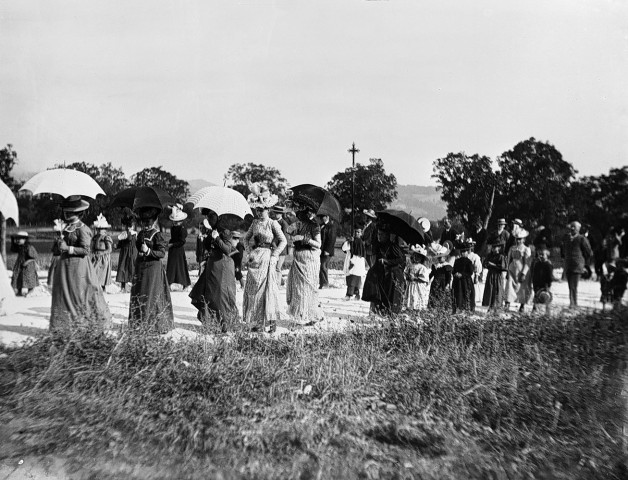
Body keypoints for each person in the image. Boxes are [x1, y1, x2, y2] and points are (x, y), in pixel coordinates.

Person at [50, 195, 112, 332]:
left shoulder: (83, 229)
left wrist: (68, 248)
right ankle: (64, 326)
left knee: (79, 294)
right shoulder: (66, 228)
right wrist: (59, 244)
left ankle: (84, 325)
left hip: (78, 267)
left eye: (70, 211)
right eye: (66, 210)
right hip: (65, 267)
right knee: (64, 294)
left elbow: (86, 250)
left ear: (78, 212)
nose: (67, 213)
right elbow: (60, 248)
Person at [243, 184, 287, 333]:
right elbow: (245, 238)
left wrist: (275, 255)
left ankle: (269, 321)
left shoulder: (272, 223)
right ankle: (256, 321)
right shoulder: (254, 223)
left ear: (268, 210)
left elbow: (283, 241)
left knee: (266, 289)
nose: (260, 212)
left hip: (268, 257)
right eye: (258, 209)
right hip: (255, 258)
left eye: (262, 209)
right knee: (253, 289)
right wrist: (249, 251)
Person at [129, 205, 174, 334]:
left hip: (153, 269)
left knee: (151, 294)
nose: (145, 225)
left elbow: (161, 253)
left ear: (154, 221)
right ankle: (139, 321)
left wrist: (148, 251)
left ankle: (153, 324)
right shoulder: (141, 233)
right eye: (143, 222)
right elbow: (138, 248)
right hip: (141, 267)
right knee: (140, 293)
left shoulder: (157, 234)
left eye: (148, 222)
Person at [189, 215, 237, 331]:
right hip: (212, 265)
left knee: (220, 295)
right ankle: (211, 322)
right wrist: (205, 238)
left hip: (222, 266)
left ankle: (224, 323)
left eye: (211, 219)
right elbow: (208, 247)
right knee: (209, 293)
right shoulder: (212, 231)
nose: (209, 221)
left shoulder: (225, 232)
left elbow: (227, 250)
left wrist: (217, 238)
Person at [286, 202, 324, 325]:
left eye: (300, 214)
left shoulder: (315, 226)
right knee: (298, 288)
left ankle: (312, 314)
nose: (299, 216)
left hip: (309, 258)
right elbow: (288, 230)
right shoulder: (297, 224)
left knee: (308, 287)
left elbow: (318, 244)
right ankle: (300, 314)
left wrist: (305, 239)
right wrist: (294, 228)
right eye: (297, 214)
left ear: (307, 214)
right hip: (298, 257)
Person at [361, 224, 406, 315]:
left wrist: (387, 261)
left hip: (391, 273)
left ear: (387, 236)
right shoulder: (379, 245)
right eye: (378, 234)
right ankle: (375, 309)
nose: (379, 236)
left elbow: (400, 259)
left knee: (388, 294)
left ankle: (387, 311)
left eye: (381, 235)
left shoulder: (393, 246)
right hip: (382, 272)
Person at [561, 221, 593, 308]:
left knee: (573, 285)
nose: (572, 228)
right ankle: (572, 303)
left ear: (578, 229)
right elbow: (563, 250)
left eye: (574, 227)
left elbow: (589, 252)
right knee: (570, 285)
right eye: (571, 226)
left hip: (577, 265)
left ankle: (573, 304)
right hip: (568, 265)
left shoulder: (582, 239)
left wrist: (583, 262)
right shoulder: (567, 238)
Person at [505, 229, 532, 312]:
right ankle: (507, 303)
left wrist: (524, 273)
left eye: (520, 239)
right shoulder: (512, 248)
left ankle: (522, 304)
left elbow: (527, 262)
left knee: (522, 287)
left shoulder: (526, 249)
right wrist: (507, 269)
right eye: (517, 239)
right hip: (512, 270)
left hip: (521, 271)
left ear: (524, 239)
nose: (518, 241)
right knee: (509, 285)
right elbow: (509, 259)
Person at [166, 204, 191, 290]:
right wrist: (170, 243)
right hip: (173, 250)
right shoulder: (173, 228)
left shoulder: (182, 229)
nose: (174, 223)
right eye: (174, 221)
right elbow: (173, 238)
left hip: (179, 250)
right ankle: (169, 283)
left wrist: (172, 244)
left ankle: (185, 283)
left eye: (176, 221)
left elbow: (182, 241)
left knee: (180, 267)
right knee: (171, 266)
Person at [482, 238, 507, 312]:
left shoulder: (501, 256)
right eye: (492, 247)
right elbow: (485, 264)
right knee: (490, 290)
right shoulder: (489, 255)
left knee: (497, 290)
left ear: (499, 248)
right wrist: (487, 264)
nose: (493, 249)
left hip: (497, 275)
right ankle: (490, 306)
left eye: (495, 247)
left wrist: (492, 264)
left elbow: (503, 267)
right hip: (490, 274)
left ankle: (497, 307)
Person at [10, 231, 38, 296]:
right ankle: (19, 291)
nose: (18, 241)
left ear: (25, 239)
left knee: (28, 278)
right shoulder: (20, 247)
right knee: (17, 276)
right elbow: (13, 249)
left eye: (19, 239)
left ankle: (30, 291)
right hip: (20, 264)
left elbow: (34, 257)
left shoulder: (29, 247)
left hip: (28, 265)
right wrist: (12, 240)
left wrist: (27, 262)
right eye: (17, 239)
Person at [342, 230, 367, 301]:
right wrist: (349, 241)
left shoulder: (360, 242)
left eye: (358, 232)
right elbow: (344, 248)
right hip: (350, 261)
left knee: (353, 281)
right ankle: (357, 294)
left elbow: (360, 254)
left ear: (361, 233)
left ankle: (349, 295)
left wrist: (353, 262)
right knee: (351, 280)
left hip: (356, 263)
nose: (357, 233)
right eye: (356, 232)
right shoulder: (351, 241)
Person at [116, 213, 137, 292]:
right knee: (123, 267)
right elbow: (121, 242)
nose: (129, 228)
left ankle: (133, 286)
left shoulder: (134, 234)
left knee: (132, 268)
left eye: (131, 226)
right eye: (128, 226)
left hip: (132, 253)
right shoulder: (124, 234)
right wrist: (117, 245)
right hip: (124, 253)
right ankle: (123, 287)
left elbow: (131, 239)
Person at [90, 214, 113, 290]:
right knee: (93, 271)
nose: (100, 231)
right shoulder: (95, 237)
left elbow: (109, 249)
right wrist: (93, 253)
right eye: (99, 229)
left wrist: (102, 254)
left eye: (102, 229)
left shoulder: (106, 238)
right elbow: (92, 247)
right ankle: (95, 288)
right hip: (96, 257)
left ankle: (103, 288)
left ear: (105, 230)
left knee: (102, 273)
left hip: (103, 257)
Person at [404, 245, 430, 311]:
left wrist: (415, 278)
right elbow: (406, 273)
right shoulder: (410, 266)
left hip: (418, 285)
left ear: (421, 258)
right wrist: (407, 277)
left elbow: (424, 279)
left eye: (418, 257)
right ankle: (410, 308)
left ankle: (417, 309)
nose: (416, 258)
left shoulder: (422, 267)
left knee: (417, 296)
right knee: (411, 295)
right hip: (411, 284)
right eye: (415, 256)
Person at [427, 243, 453, 310]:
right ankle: (432, 307)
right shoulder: (435, 265)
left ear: (445, 258)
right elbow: (432, 273)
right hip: (435, 282)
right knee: (433, 293)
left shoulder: (447, 266)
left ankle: (441, 307)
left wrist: (447, 284)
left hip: (443, 282)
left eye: (440, 257)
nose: (439, 259)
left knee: (441, 294)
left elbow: (449, 276)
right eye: (438, 257)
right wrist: (428, 279)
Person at [452, 241, 475, 313]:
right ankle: (458, 308)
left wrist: (462, 274)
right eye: (462, 252)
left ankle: (466, 308)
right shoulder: (457, 261)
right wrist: (455, 273)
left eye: (465, 252)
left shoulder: (469, 262)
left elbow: (470, 272)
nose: (463, 253)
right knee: (458, 293)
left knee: (466, 293)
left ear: (467, 252)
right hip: (458, 281)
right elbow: (453, 270)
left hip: (465, 281)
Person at [270, 205, 290, 286]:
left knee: (278, 267)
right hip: (273, 247)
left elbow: (284, 238)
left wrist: (276, 245)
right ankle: (280, 281)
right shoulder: (273, 222)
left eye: (278, 213)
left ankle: (277, 284)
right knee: (273, 267)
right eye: (275, 213)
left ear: (281, 214)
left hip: (281, 249)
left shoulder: (284, 224)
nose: (276, 214)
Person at [531, 248, 553, 314]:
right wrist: (534, 283)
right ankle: (534, 310)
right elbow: (534, 274)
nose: (541, 256)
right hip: (537, 284)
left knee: (546, 298)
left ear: (547, 255)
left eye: (543, 255)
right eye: (540, 254)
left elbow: (549, 276)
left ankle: (547, 312)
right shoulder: (537, 264)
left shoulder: (548, 264)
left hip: (545, 284)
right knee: (536, 297)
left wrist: (548, 285)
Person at [319, 214, 337, 289]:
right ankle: (322, 283)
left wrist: (327, 250)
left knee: (323, 266)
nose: (322, 218)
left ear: (327, 217)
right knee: (321, 266)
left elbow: (332, 239)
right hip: (321, 249)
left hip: (327, 250)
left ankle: (325, 283)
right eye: (321, 217)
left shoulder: (331, 226)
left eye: (323, 217)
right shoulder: (321, 225)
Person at [47, 219, 65, 289]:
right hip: (56, 255)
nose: (58, 234)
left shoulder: (62, 240)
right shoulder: (57, 239)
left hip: (60, 256)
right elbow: (53, 248)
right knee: (53, 269)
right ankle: (51, 283)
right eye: (57, 233)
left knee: (58, 269)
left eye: (59, 233)